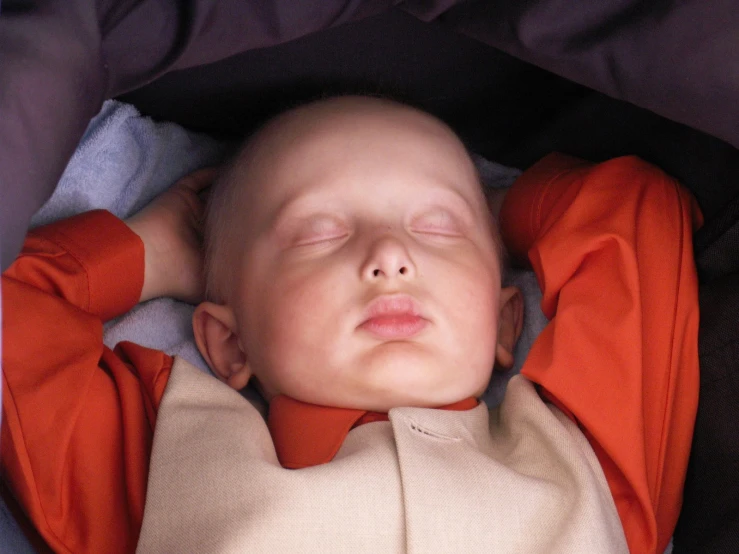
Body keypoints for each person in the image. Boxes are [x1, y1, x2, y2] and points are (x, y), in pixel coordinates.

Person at [1, 96, 700, 554]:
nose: (392, 256)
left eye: (434, 227)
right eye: (319, 234)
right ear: (228, 341)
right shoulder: (168, 459)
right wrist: (151, 254)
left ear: (503, 321)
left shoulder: (580, 461)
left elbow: (628, 208)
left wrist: (490, 215)